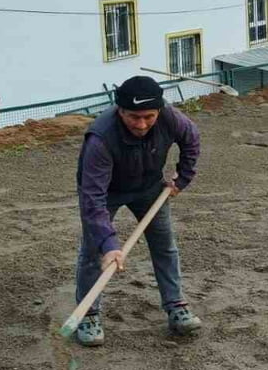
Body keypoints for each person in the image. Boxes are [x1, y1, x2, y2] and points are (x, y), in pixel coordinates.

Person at [73, 76, 201, 347]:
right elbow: (92, 199)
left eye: (148, 117)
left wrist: (183, 178)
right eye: (134, 117)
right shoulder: (100, 138)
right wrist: (109, 244)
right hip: (107, 192)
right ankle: (88, 314)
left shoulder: (170, 118)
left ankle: (176, 304)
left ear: (159, 111)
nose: (141, 125)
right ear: (120, 111)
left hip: (150, 188)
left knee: (164, 246)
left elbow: (191, 138)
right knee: (94, 252)